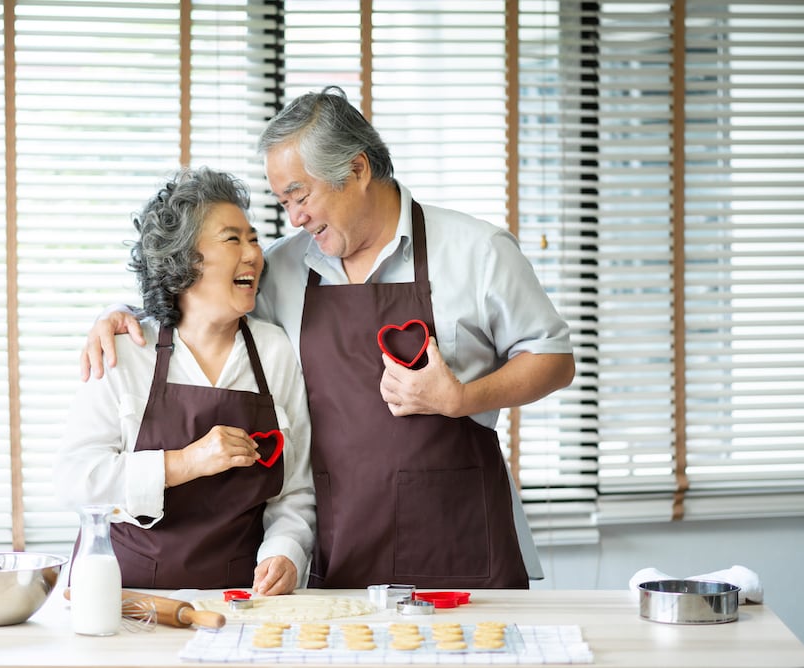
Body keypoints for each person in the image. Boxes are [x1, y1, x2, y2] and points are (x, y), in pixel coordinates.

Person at [82, 87, 575, 589]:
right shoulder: (283, 266)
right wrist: (119, 312)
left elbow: (554, 358)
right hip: (338, 547)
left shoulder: (479, 252)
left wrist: (463, 397)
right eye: (283, 201)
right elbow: (198, 299)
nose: (294, 216)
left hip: (457, 534)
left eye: (301, 195)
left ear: (357, 170)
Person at [55, 167, 315, 596]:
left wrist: (286, 550)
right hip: (125, 599)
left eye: (253, 239)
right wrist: (186, 463)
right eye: (233, 239)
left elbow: (295, 488)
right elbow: (75, 481)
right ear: (184, 259)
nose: (253, 253)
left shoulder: (274, 351)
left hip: (239, 604)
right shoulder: (125, 348)